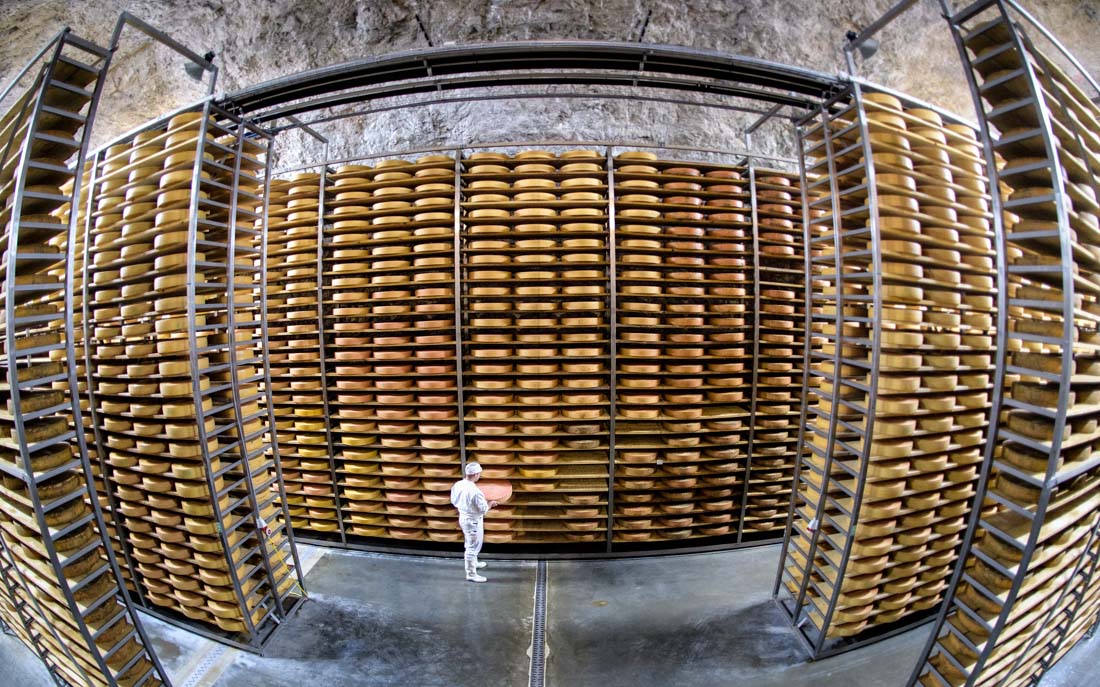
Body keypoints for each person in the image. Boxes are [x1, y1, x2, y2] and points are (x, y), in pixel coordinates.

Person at [450, 462, 498, 582]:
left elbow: (453, 501)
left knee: (471, 542)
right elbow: (483, 509)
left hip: (463, 517)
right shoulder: (476, 492)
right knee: (472, 547)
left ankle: (474, 563)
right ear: (476, 474)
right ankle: (471, 574)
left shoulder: (458, 484)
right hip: (473, 521)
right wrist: (490, 504)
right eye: (479, 474)